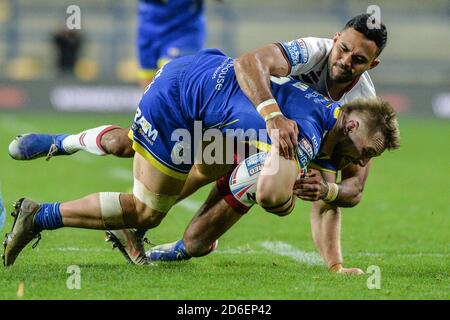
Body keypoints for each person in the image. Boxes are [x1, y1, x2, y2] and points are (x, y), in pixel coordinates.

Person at [7, 14, 388, 273]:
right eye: (343, 50)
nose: (345, 62)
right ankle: (43, 207)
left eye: (358, 60)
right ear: (335, 40)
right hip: (190, 100)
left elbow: (351, 189)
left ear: (371, 66)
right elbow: (249, 63)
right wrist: (274, 120)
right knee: (145, 207)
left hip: (213, 97)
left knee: (195, 159)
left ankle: (69, 146)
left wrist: (329, 191)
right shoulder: (313, 55)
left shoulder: (361, 108)